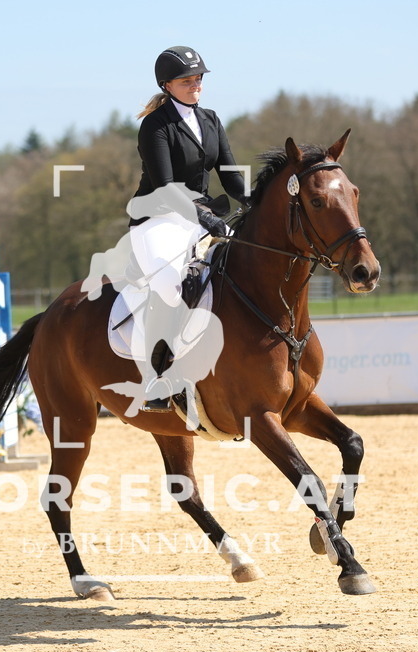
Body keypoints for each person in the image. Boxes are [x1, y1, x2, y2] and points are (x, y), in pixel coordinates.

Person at [130, 45, 248, 412]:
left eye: (199, 78)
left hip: (202, 218)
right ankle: (157, 376)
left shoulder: (211, 119)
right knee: (170, 282)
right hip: (158, 219)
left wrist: (256, 201)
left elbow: (230, 177)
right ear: (167, 85)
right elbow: (165, 187)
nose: (196, 84)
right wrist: (205, 218)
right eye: (187, 80)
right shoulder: (156, 125)